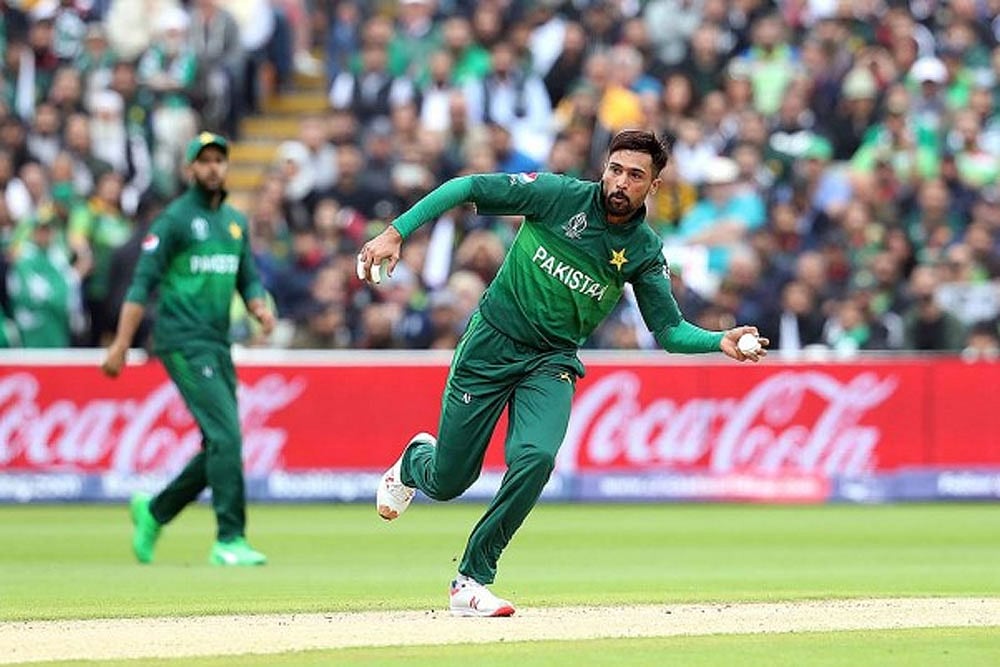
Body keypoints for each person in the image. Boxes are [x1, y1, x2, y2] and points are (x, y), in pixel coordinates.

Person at [357, 129, 769, 617]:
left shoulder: (643, 250)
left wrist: (717, 341)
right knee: (449, 481)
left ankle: (471, 579)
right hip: (491, 344)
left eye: (635, 176)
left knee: (536, 458)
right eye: (615, 169)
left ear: (654, 186)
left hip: (551, 360)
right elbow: (466, 186)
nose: (621, 182)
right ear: (604, 168)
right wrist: (396, 231)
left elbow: (670, 331)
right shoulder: (556, 195)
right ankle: (414, 462)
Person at [100, 132, 275, 566]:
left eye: (219, 160)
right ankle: (229, 539)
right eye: (205, 161)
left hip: (217, 341)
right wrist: (121, 343)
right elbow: (142, 283)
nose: (213, 167)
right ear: (190, 169)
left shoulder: (234, 222)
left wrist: (258, 306)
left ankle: (155, 511)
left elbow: (248, 277)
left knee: (219, 443)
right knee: (227, 437)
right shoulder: (174, 220)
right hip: (180, 340)